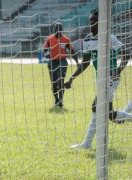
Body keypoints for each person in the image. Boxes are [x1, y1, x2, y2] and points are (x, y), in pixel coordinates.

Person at [65, 9, 132, 149]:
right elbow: (85, 63)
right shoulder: (88, 39)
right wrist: (72, 78)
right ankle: (87, 143)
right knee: (110, 114)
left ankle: (87, 143)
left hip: (110, 79)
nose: (91, 23)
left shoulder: (109, 38)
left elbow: (126, 55)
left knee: (96, 106)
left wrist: (117, 71)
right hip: (100, 79)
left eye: (94, 21)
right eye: (90, 20)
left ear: (101, 23)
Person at [43, 22, 78, 107]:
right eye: (56, 29)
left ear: (62, 30)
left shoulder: (66, 39)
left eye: (60, 29)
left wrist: (77, 62)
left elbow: (72, 51)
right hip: (52, 62)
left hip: (62, 61)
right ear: (54, 30)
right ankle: (56, 99)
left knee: (60, 79)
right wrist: (47, 53)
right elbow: (45, 49)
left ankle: (61, 100)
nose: (58, 31)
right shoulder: (49, 39)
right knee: (54, 83)